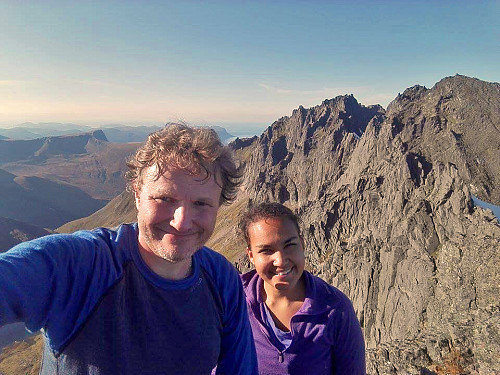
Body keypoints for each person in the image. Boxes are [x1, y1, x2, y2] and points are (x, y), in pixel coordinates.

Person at [0, 124, 258, 375]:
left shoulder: (222, 280)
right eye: (165, 198)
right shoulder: (82, 266)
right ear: (136, 194)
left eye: (201, 203)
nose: (181, 222)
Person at [239, 202, 366, 375]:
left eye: (289, 245)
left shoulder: (336, 310)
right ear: (251, 255)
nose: (280, 260)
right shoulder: (233, 300)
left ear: (302, 244)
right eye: (266, 250)